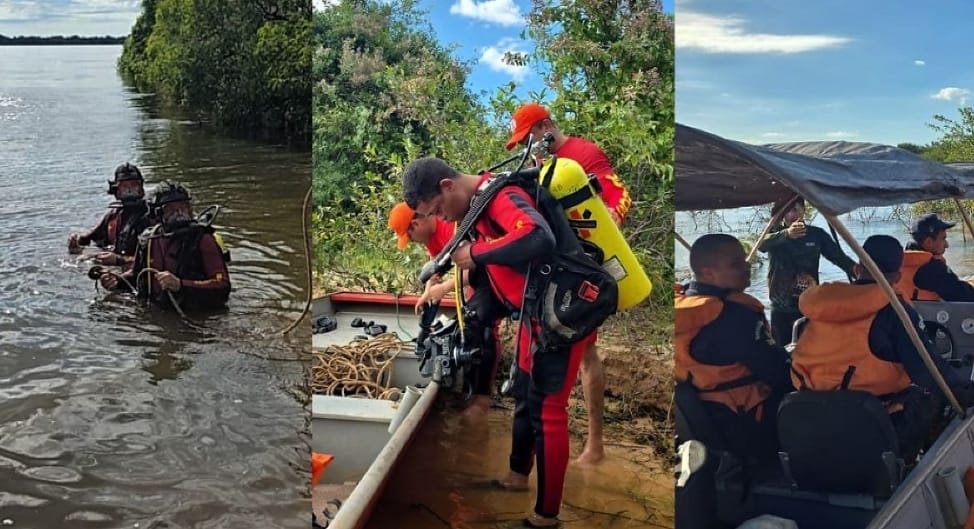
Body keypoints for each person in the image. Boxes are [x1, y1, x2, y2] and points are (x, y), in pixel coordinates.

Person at [403, 156, 588, 527]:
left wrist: (475, 253)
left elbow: (538, 236)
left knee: (548, 412)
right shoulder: (476, 208)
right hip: (535, 315)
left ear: (447, 186)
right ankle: (516, 479)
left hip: (566, 313)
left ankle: (545, 518)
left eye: (439, 210)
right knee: (524, 395)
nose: (441, 219)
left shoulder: (501, 195)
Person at [506, 102, 631, 465]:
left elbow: (620, 194)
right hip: (554, 272)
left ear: (545, 127)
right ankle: (544, 437)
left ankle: (595, 445)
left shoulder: (584, 153)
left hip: (585, 269)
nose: (526, 146)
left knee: (586, 351)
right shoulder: (540, 167)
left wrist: (610, 218)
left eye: (527, 137)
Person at [790, 234, 974, 460]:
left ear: (858, 269)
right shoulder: (894, 313)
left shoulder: (818, 309)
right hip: (874, 423)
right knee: (931, 396)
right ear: (897, 277)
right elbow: (929, 372)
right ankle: (913, 465)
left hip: (812, 416)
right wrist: (966, 389)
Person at [675, 234, 792, 463]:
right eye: (736, 264)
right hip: (745, 427)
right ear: (708, 272)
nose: (747, 267)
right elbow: (779, 373)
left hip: (702, 423)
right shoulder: (735, 316)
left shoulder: (683, 306)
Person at [387, 201, 502, 420]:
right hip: (472, 279)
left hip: (492, 274)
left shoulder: (452, 226)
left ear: (416, 224)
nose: (412, 242)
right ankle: (466, 388)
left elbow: (477, 268)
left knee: (482, 327)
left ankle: (482, 398)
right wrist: (429, 289)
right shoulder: (430, 236)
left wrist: (444, 288)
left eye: (410, 237)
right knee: (467, 331)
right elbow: (436, 265)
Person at [100, 182, 230, 310]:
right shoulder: (149, 240)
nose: (179, 212)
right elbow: (138, 276)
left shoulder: (203, 239)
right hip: (157, 309)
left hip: (196, 315)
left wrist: (181, 285)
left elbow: (223, 286)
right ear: (158, 213)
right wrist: (117, 281)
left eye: (184, 207)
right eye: (171, 209)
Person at [757, 197, 856, 345]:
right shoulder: (775, 233)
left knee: (810, 347)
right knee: (781, 351)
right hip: (780, 307)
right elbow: (760, 245)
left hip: (809, 304)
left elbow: (840, 258)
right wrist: (786, 235)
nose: (791, 215)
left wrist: (862, 274)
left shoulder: (816, 235)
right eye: (787, 211)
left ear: (804, 211)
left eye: (795, 210)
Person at [68, 162, 152, 267]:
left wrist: (120, 260)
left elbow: (154, 259)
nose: (129, 190)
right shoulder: (113, 215)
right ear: (116, 189)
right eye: (124, 186)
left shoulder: (151, 215)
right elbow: (89, 238)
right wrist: (76, 241)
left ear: (141, 188)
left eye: (133, 185)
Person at [896, 213, 974, 302]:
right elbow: (966, 296)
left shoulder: (899, 263)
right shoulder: (933, 270)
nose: (947, 245)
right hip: (928, 314)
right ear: (929, 242)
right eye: (943, 239)